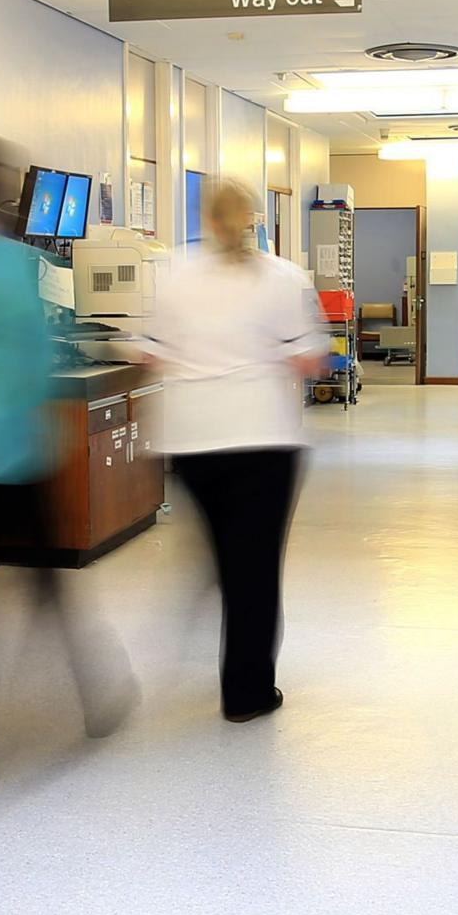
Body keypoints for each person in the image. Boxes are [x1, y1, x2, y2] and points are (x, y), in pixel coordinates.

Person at [0, 143, 132, 811]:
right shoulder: (15, 265)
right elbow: (35, 358)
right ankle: (97, 694)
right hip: (10, 450)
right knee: (50, 584)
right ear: (5, 199)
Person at [145, 177, 328, 722]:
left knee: (232, 557)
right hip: (262, 440)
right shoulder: (284, 278)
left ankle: (221, 584)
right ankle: (247, 693)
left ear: (206, 220)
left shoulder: (173, 272)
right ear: (253, 219)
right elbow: (312, 359)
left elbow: (153, 352)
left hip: (192, 444)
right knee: (256, 569)